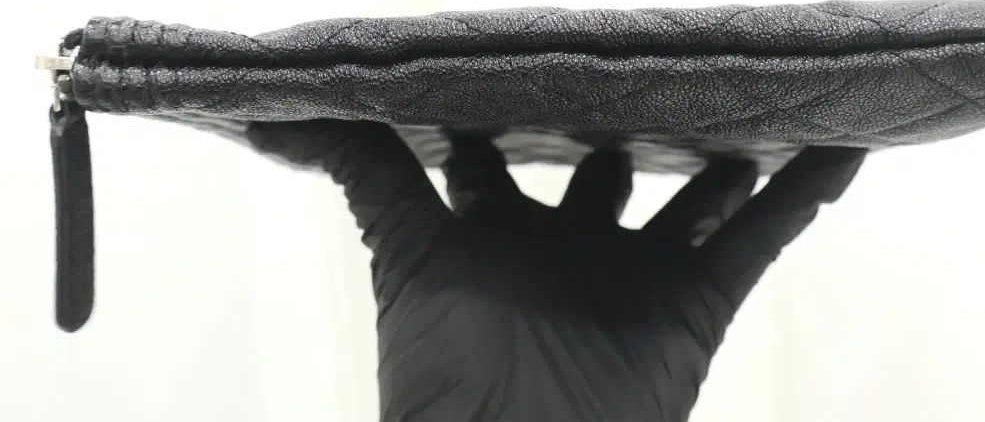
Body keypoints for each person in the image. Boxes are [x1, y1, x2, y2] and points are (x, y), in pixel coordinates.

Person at [249, 120, 866, 422]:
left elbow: (359, 147)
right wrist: (262, 119)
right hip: (480, 290)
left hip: (642, 326)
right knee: (485, 170)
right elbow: (361, 148)